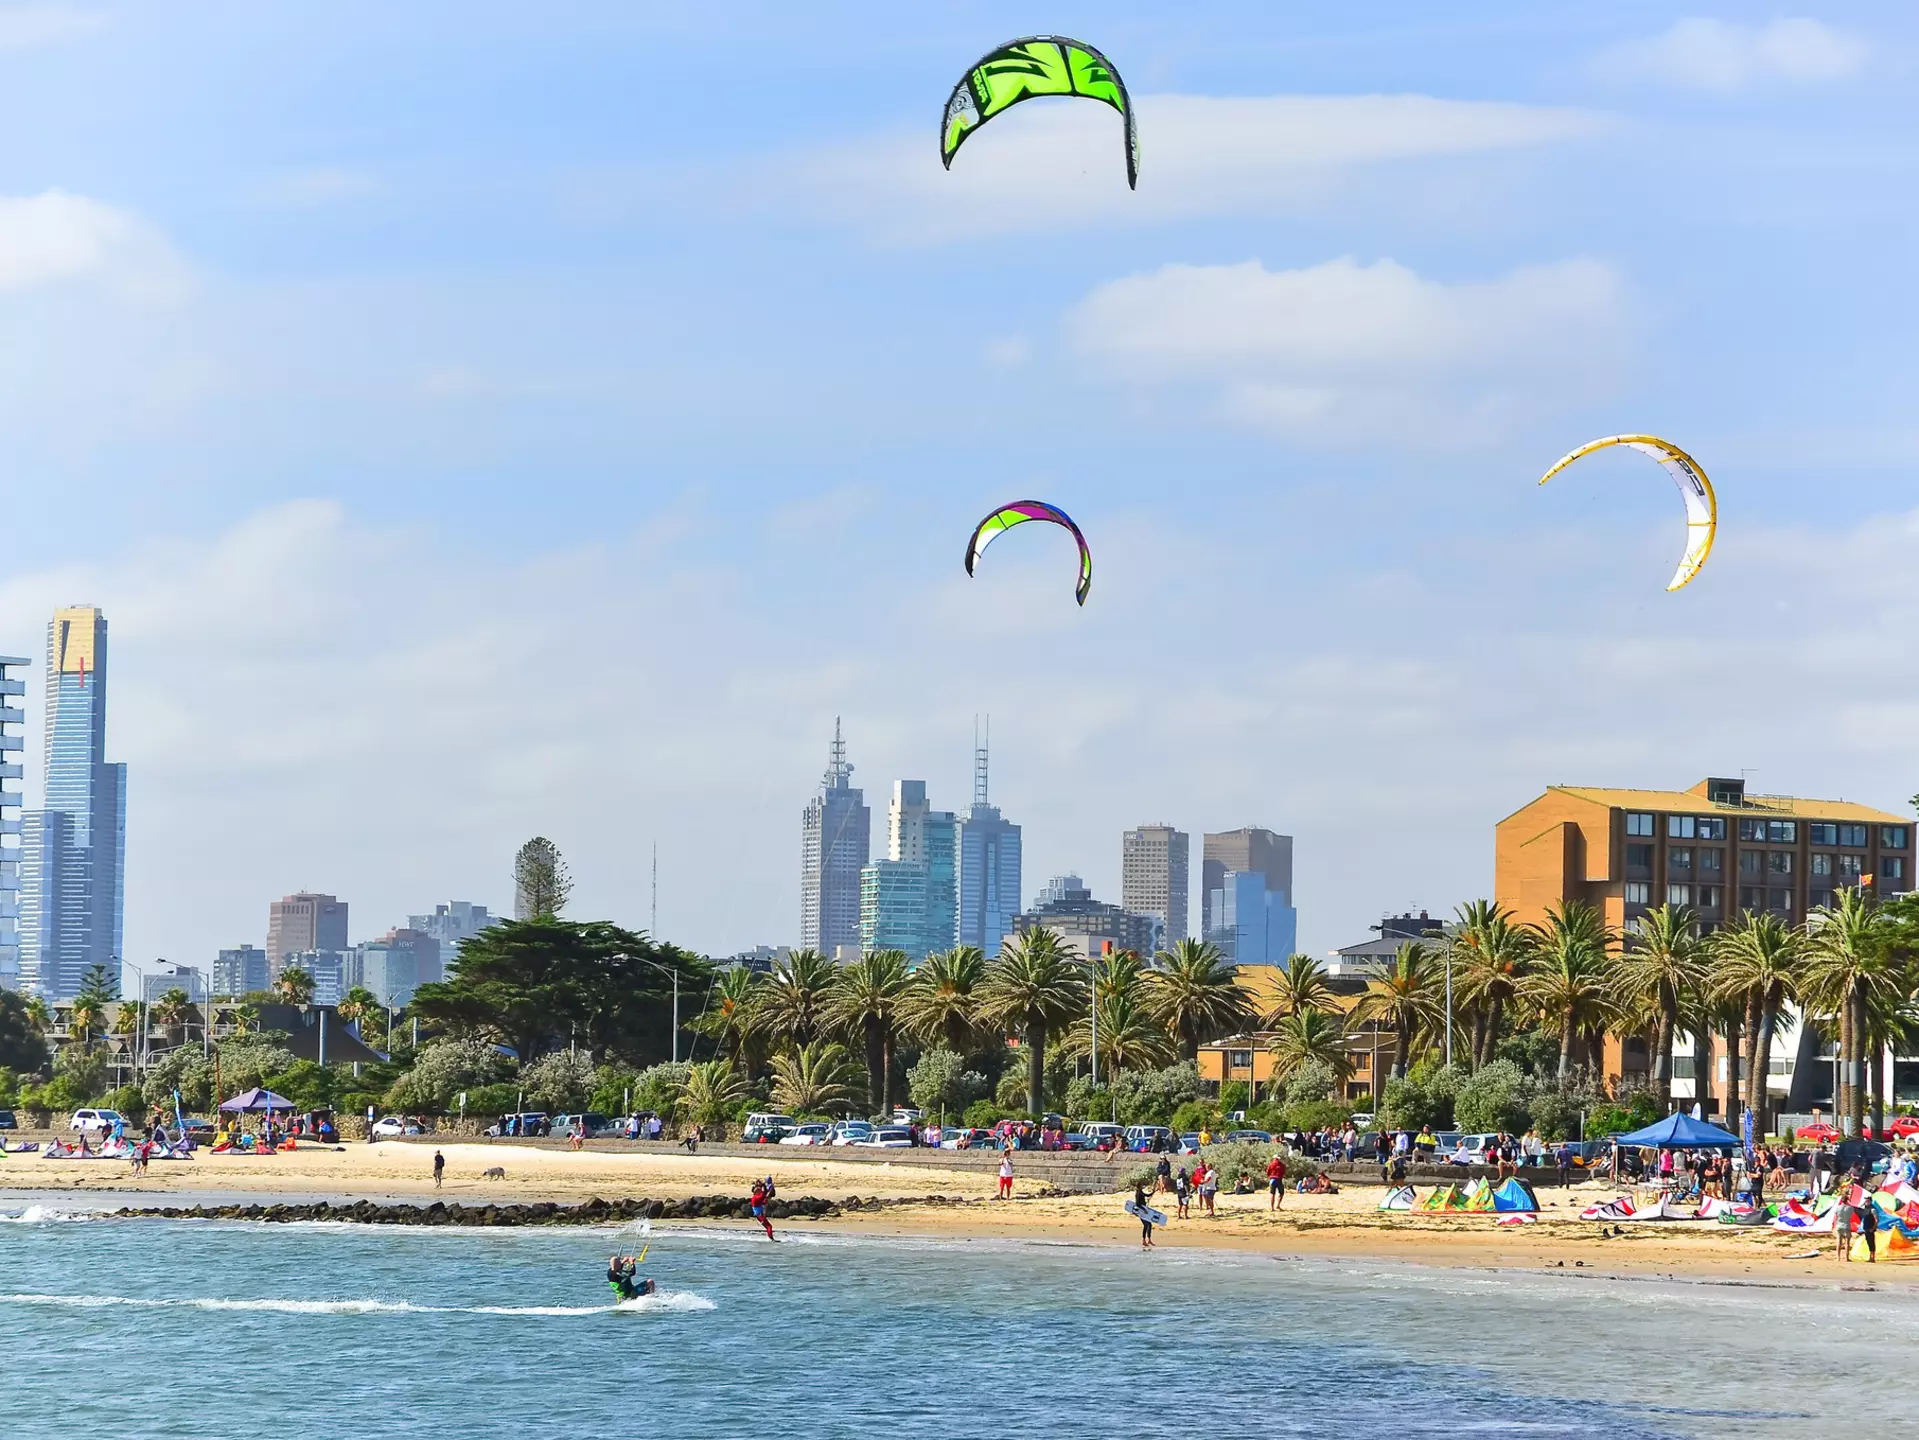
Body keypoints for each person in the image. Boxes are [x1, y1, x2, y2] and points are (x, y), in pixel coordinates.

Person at [1133, 1183, 1156, 1249]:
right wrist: (1144, 1210)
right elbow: (1137, 1204)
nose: (1143, 1186)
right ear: (1139, 1186)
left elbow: (1146, 1195)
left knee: (1149, 1224)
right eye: (1142, 1185)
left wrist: (1153, 1192)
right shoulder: (1138, 1193)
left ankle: (1148, 1240)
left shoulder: (1140, 1192)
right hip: (1141, 1211)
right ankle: (1143, 1240)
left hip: (1143, 1210)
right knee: (1146, 1225)